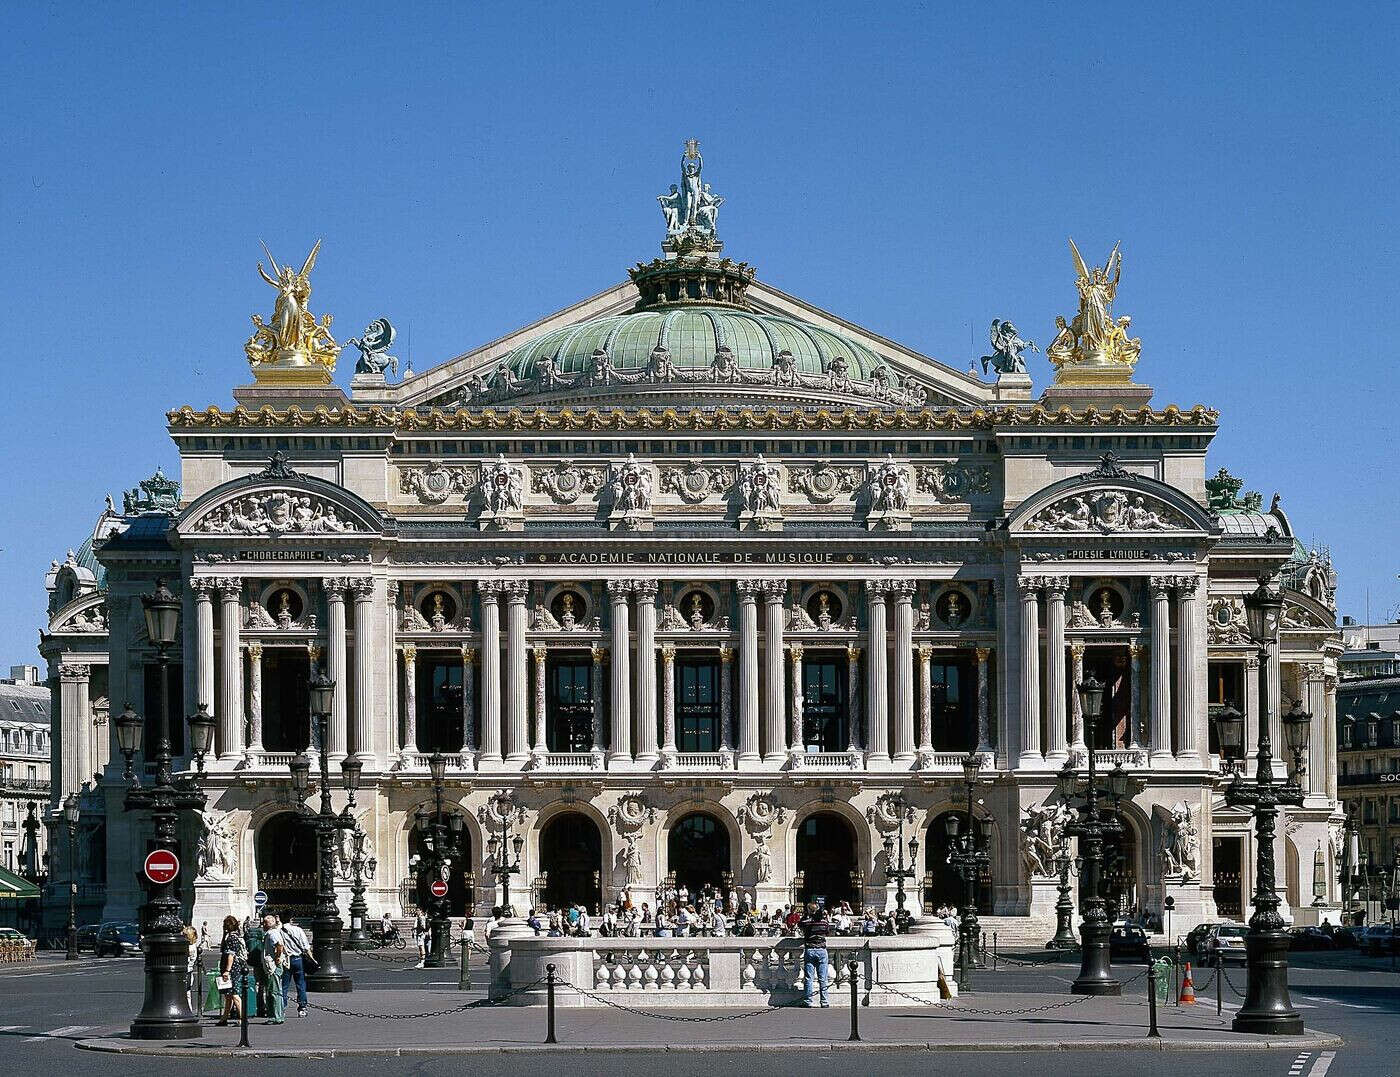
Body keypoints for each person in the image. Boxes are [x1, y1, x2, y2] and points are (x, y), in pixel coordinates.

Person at [217, 915, 248, 1026]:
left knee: (234, 994)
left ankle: (243, 1018)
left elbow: (231, 955)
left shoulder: (231, 938)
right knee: (228, 994)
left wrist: (227, 971)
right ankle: (224, 1018)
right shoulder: (233, 936)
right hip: (232, 967)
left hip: (231, 968)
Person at [799, 902, 832, 1007]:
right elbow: (827, 931)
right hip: (822, 950)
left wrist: (806, 915)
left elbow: (800, 925)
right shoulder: (824, 923)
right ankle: (824, 1001)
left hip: (810, 950)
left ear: (809, 910)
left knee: (809, 978)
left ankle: (808, 1001)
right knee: (823, 978)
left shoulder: (807, 922)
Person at [279, 915, 312, 1018]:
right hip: (298, 959)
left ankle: (282, 1008)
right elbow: (306, 947)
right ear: (291, 919)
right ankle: (302, 1008)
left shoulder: (279, 931)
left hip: (286, 960)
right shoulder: (298, 930)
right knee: (301, 984)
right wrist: (312, 959)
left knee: (284, 985)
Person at [259, 915, 287, 1024]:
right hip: (272, 965)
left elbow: (279, 945)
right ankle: (276, 1015)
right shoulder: (272, 933)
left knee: (273, 992)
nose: (263, 925)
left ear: (269, 924)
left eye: (265, 923)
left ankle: (276, 1016)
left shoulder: (272, 934)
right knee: (274, 991)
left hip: (273, 966)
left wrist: (277, 958)